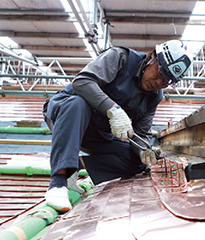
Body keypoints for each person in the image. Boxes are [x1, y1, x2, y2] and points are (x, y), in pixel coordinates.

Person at [42, 40, 192, 211]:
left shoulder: (154, 97)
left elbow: (142, 134)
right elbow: (81, 82)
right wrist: (113, 109)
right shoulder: (120, 58)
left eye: (166, 81)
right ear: (152, 57)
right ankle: (57, 183)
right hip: (67, 114)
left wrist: (144, 150)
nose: (158, 82)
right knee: (78, 104)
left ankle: (76, 164)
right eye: (159, 72)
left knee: (136, 163)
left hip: (97, 133)